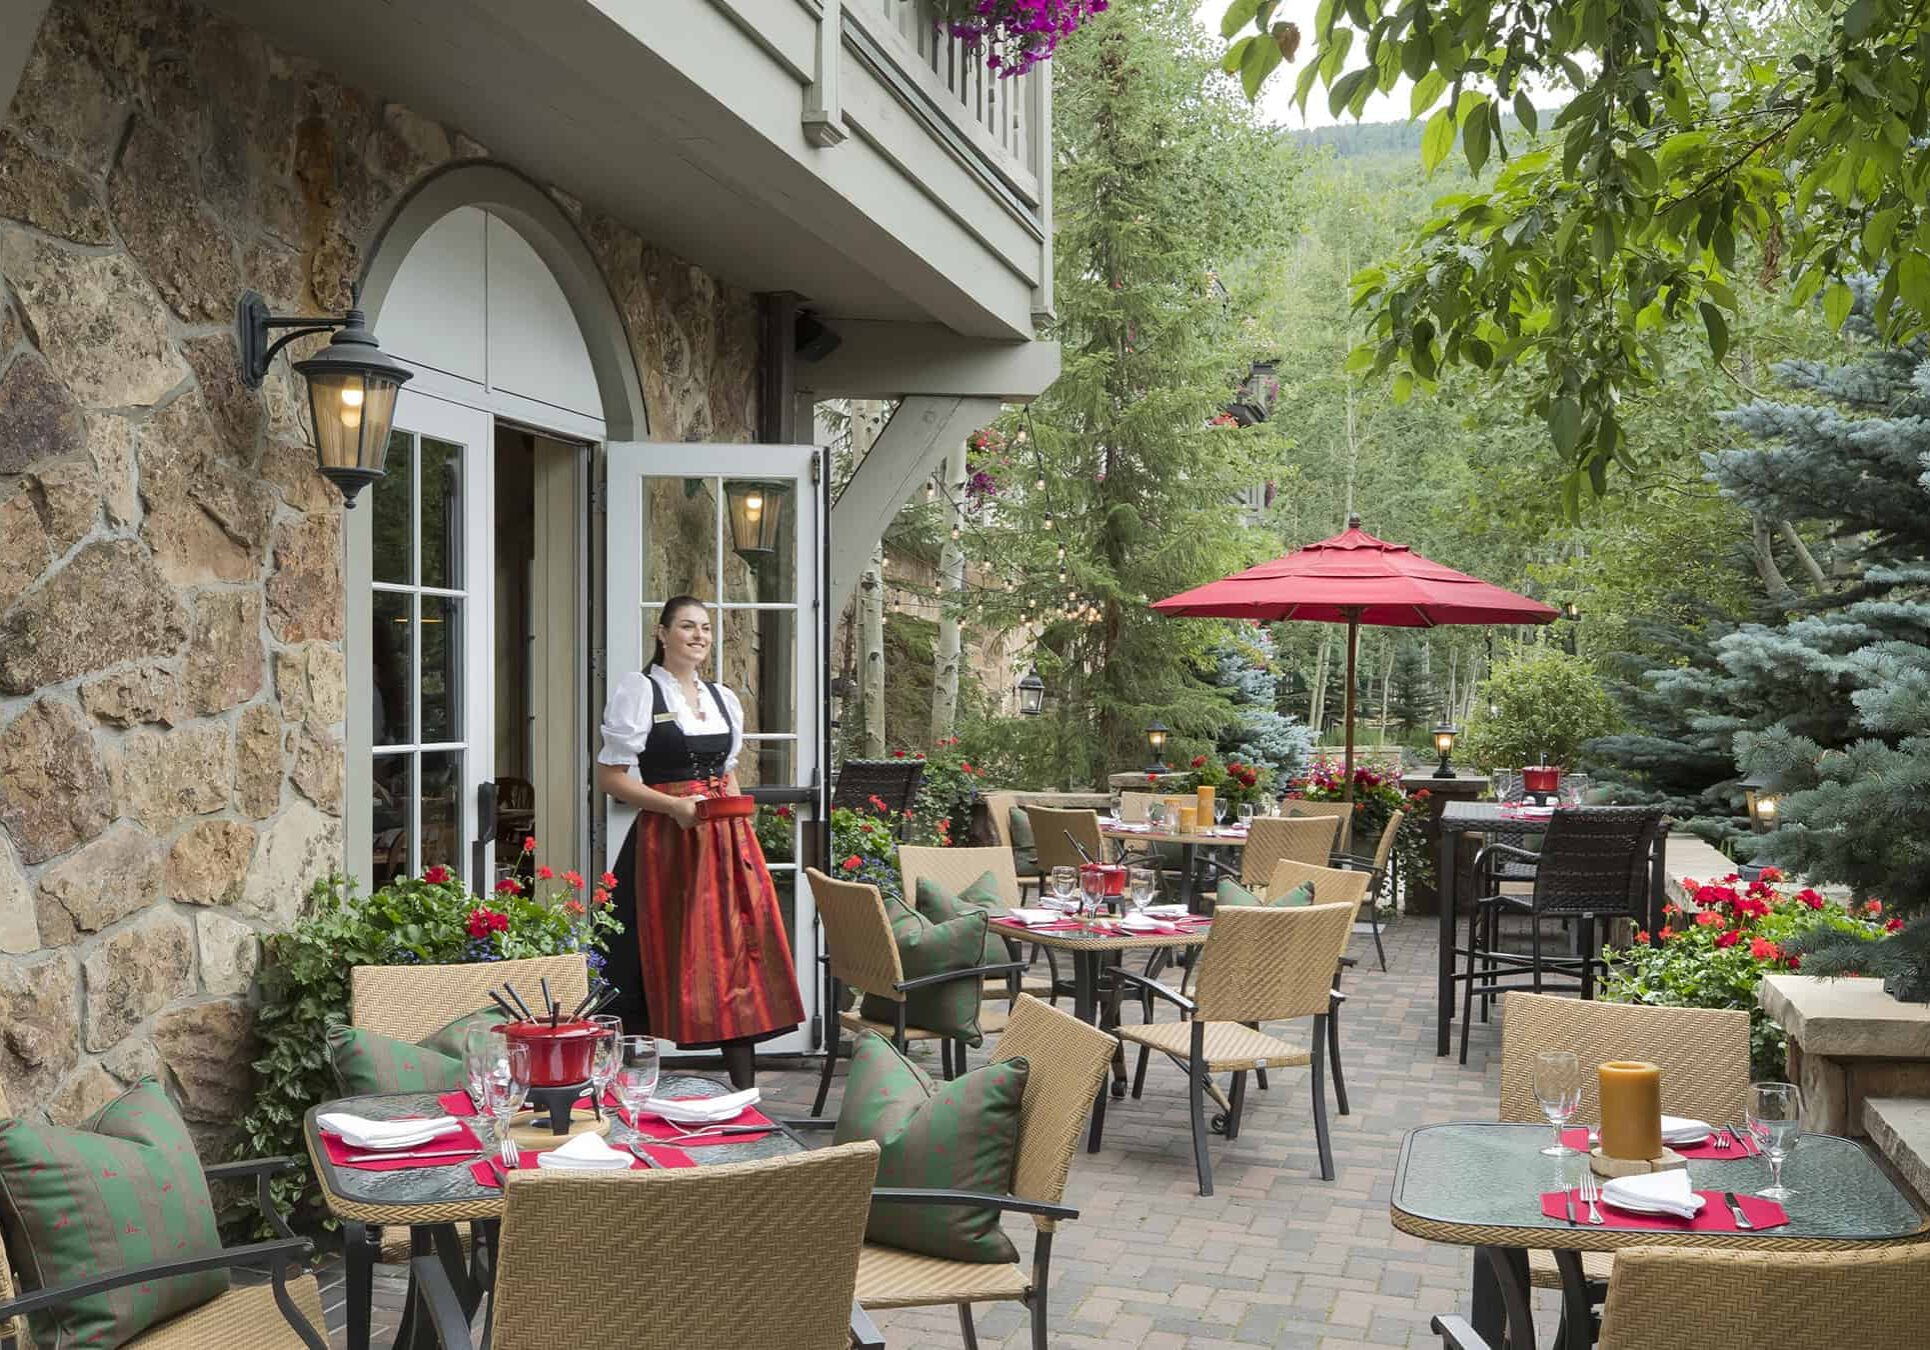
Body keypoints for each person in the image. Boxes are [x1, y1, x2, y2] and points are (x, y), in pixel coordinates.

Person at [595, 596, 804, 1088]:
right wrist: (674, 807)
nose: (698, 636)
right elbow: (610, 777)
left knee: (737, 952)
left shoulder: (722, 698)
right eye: (687, 626)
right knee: (650, 949)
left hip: (725, 841)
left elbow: (728, 779)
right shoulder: (641, 690)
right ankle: (622, 1085)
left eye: (705, 628)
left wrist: (741, 836)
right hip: (666, 844)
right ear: (662, 633)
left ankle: (743, 1093)